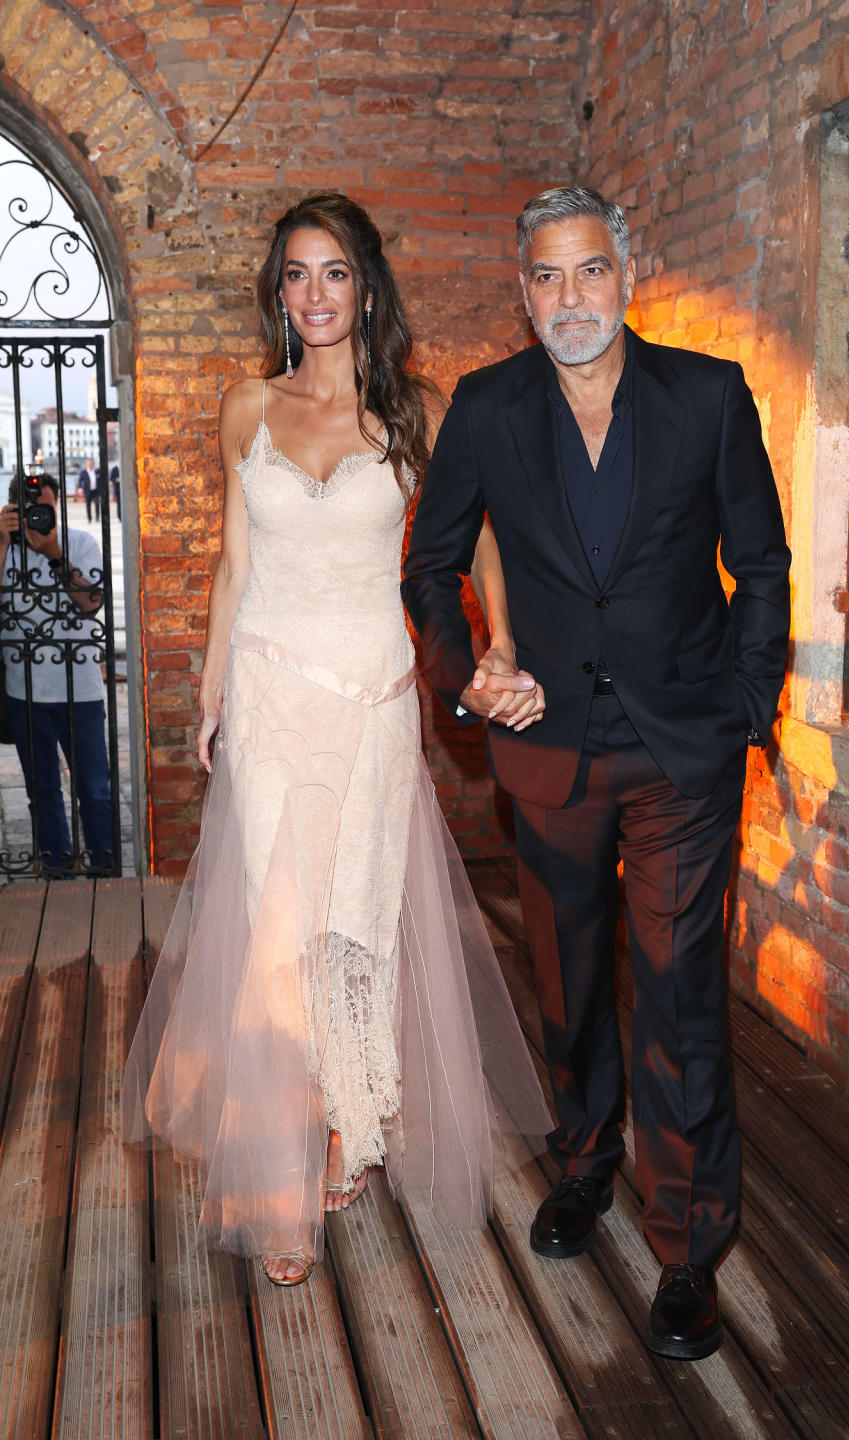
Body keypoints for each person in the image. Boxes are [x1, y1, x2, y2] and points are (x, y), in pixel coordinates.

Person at [121, 193, 549, 1287]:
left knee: (352, 928)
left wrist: (496, 642)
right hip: (270, 695)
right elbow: (233, 565)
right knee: (278, 929)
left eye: (334, 274)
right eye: (296, 277)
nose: (313, 296)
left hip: (371, 700)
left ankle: (338, 1122)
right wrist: (212, 692)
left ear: (367, 287)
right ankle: (280, 1159)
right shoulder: (244, 406)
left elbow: (475, 541)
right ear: (280, 294)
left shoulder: (414, 413)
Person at [403, 186, 791, 1360]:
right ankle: (583, 1163)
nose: (569, 298)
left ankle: (688, 1245)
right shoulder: (484, 408)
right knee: (568, 980)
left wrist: (741, 704)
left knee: (677, 993)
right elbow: (428, 569)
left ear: (629, 274)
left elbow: (761, 563)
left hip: (682, 749)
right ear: (523, 295)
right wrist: (470, 676)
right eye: (546, 279)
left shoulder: (709, 397)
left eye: (588, 272)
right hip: (547, 748)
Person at [0, 473, 114, 872]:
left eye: (46, 508)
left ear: (58, 504)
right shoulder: (4, 549)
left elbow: (91, 604)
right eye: (32, 509)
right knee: (43, 792)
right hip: (23, 690)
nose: (39, 516)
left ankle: (103, 863)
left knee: (95, 790)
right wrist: (0, 542)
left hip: (79, 690)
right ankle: (57, 864)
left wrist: (54, 554)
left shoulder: (80, 542)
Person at [76, 457, 99, 522]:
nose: (90, 464)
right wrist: (80, 489)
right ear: (87, 464)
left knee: (97, 503)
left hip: (95, 490)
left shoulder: (96, 471)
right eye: (89, 463)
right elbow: (80, 481)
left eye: (91, 463)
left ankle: (97, 518)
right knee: (88, 504)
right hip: (88, 490)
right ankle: (89, 518)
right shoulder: (83, 472)